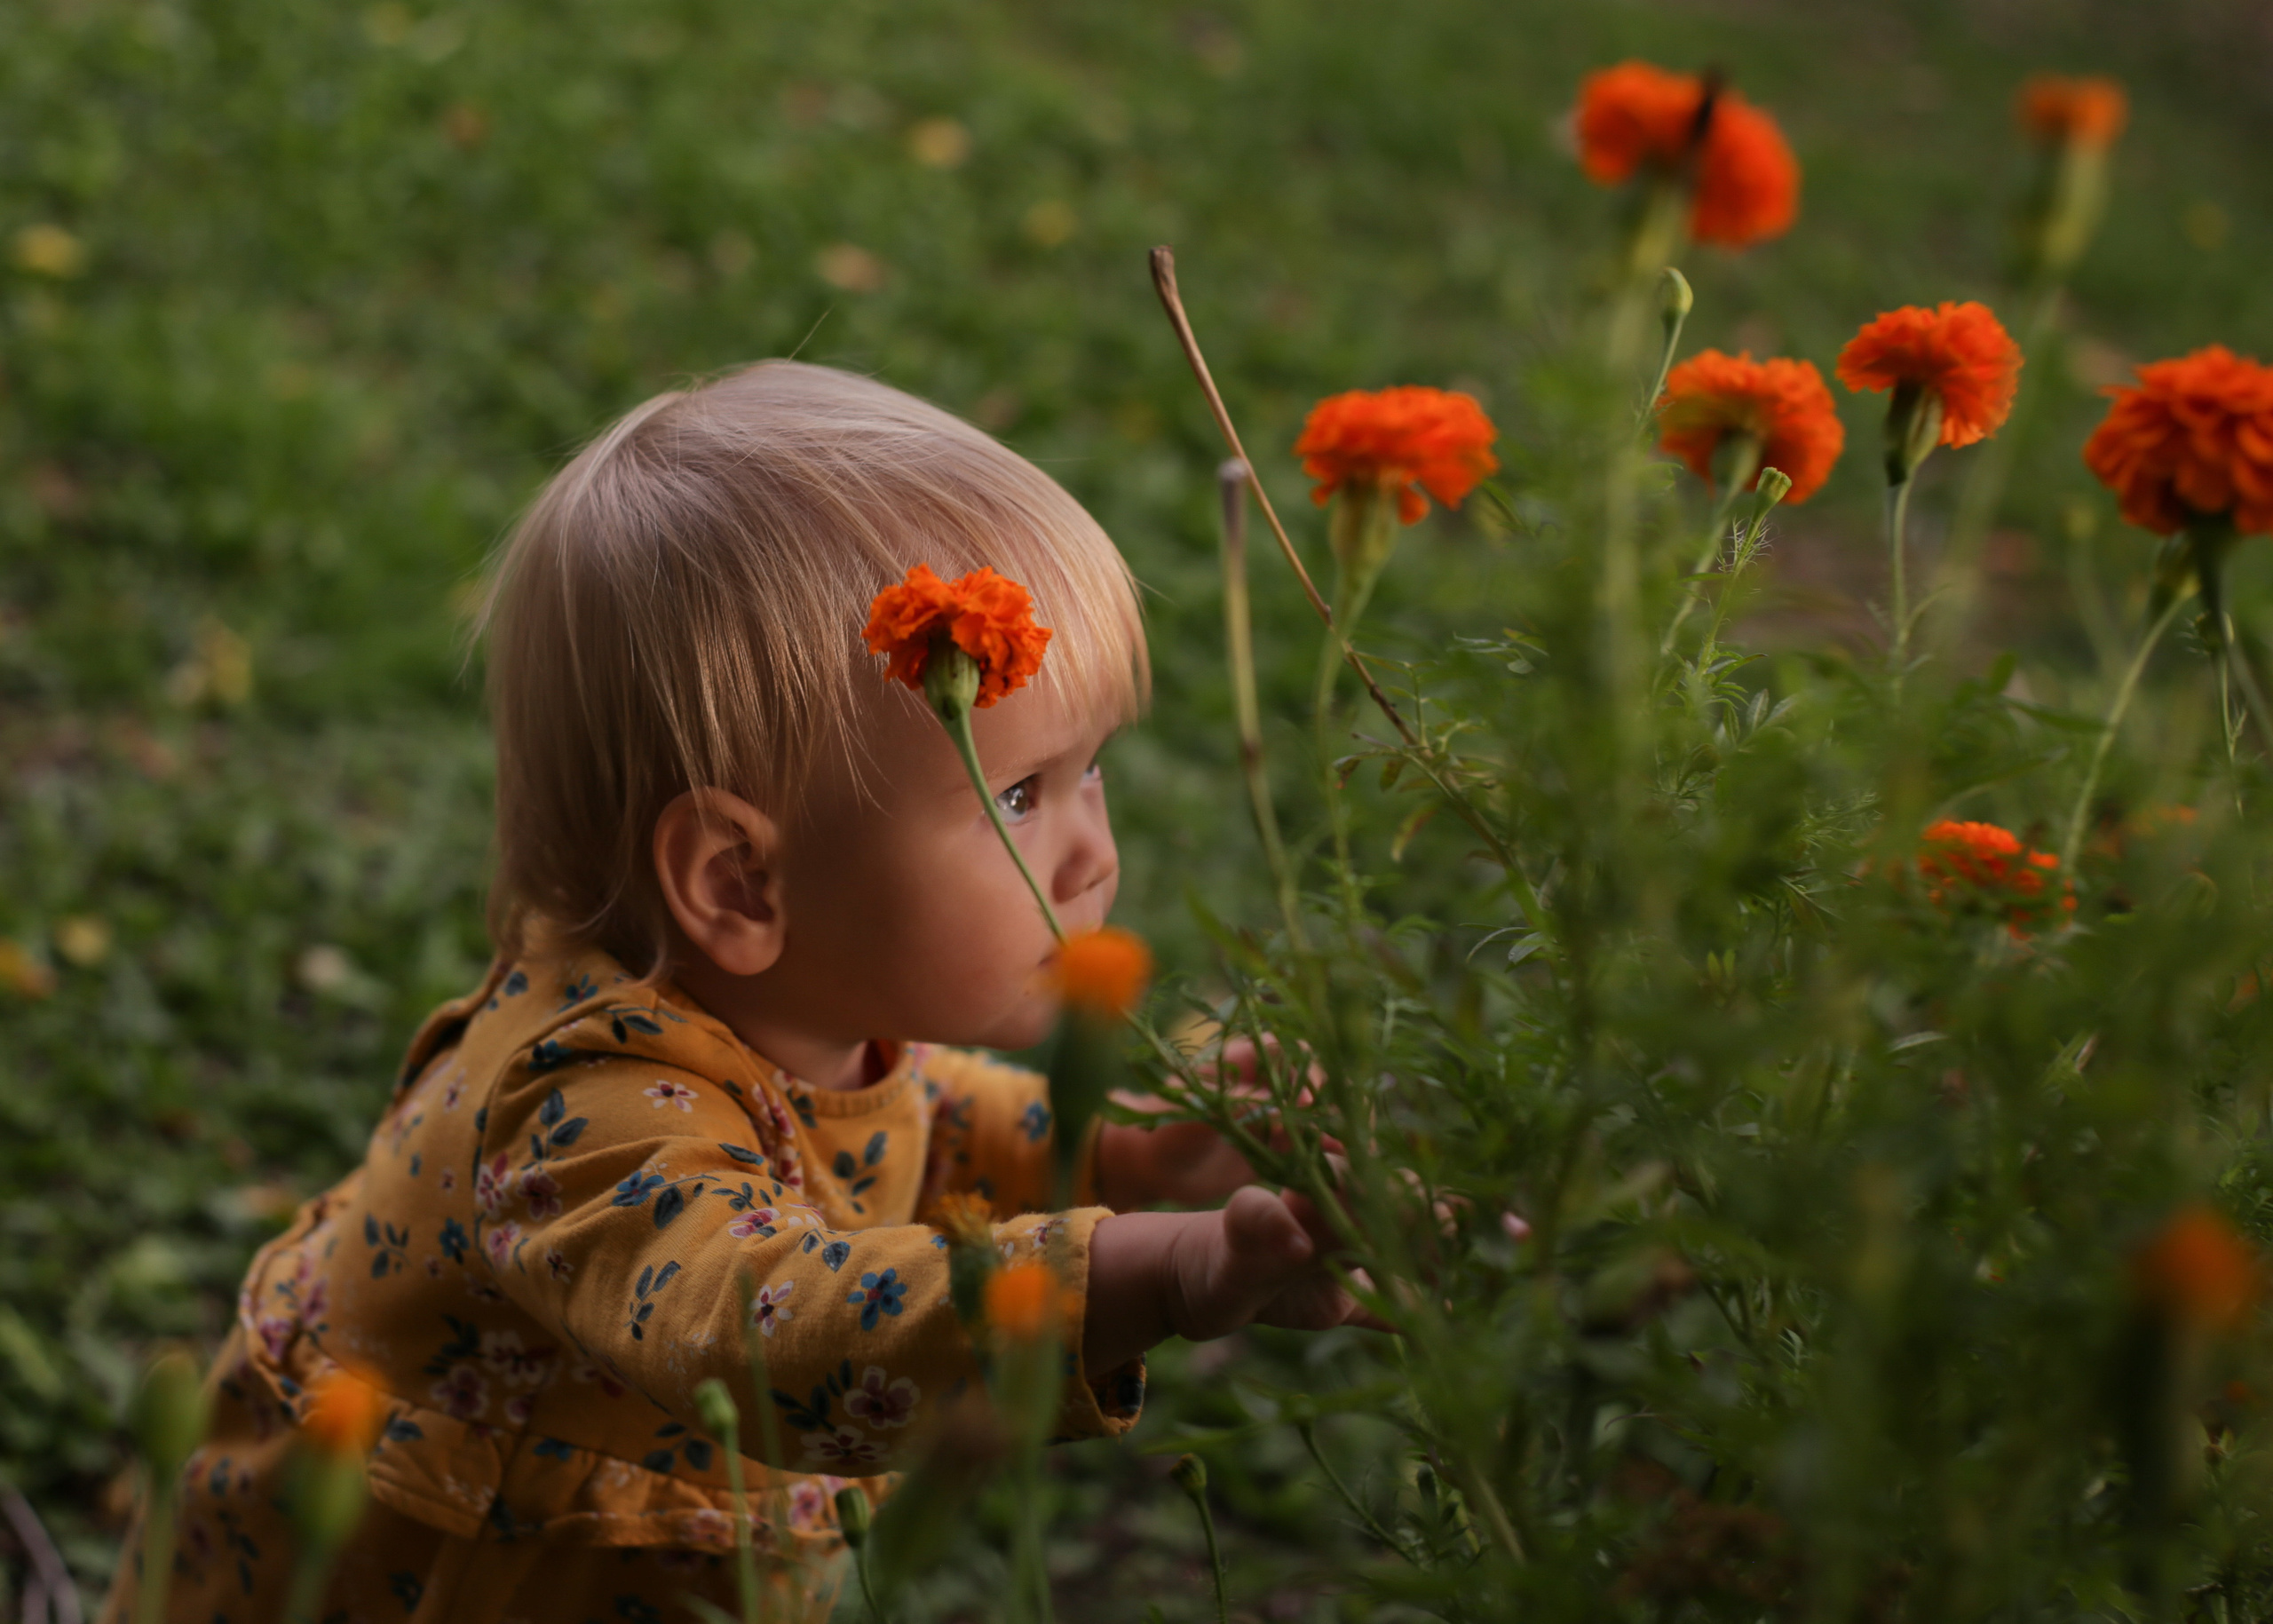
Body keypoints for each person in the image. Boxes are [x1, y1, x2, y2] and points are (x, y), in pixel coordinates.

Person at [102, 361, 1369, 1624]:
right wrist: (1157, 1268)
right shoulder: (579, 1114)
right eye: (1020, 794)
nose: (1095, 853)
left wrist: (1137, 1152)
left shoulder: (795, 1010)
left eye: (1091, 772)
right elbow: (777, 1330)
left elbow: (917, 1124)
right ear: (740, 882)